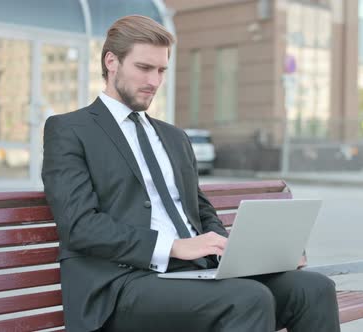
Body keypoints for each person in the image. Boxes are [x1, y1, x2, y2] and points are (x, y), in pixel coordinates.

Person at [42, 15, 339, 332]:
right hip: (121, 285)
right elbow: (79, 225)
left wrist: (241, 254)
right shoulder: (70, 130)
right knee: (248, 299)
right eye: (144, 68)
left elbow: (200, 210)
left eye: (161, 71)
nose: (154, 82)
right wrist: (171, 246)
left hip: (195, 274)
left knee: (313, 289)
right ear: (111, 62)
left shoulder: (174, 138)